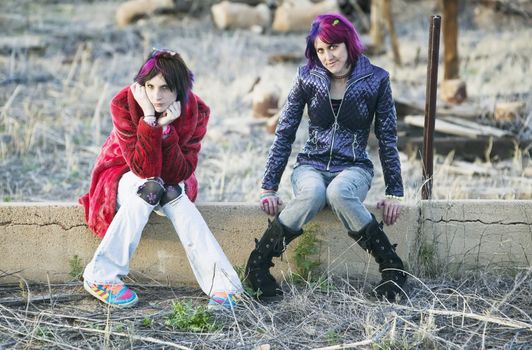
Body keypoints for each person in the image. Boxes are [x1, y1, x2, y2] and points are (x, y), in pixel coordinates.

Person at [245, 14, 407, 301]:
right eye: (320, 50)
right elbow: (285, 133)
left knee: (339, 193)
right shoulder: (307, 77)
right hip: (311, 164)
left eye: (333, 47)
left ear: (348, 43)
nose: (327, 56)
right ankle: (257, 267)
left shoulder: (377, 80)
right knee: (314, 193)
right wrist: (268, 186)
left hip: (355, 166)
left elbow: (387, 138)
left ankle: (393, 269)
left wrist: (395, 191)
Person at [79, 49, 243, 309]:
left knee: (171, 193)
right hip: (122, 174)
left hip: (170, 177)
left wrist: (166, 131)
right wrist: (148, 120)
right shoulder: (124, 103)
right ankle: (101, 276)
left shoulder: (196, 111)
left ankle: (224, 286)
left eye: (165, 88)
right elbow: (143, 168)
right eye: (150, 86)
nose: (156, 95)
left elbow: (180, 172)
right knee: (149, 187)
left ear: (179, 89)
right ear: (141, 86)